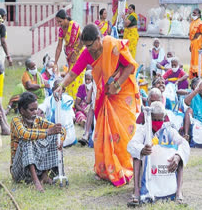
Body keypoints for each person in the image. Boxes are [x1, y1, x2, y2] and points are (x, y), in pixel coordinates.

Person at [54, 24, 140, 187]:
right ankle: (106, 168)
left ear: (99, 39)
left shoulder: (111, 45)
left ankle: (124, 165)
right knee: (104, 131)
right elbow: (74, 72)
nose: (88, 49)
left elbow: (129, 65)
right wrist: (62, 86)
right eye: (85, 46)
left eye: (90, 45)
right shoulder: (87, 53)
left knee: (122, 130)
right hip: (106, 93)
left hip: (122, 92)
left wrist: (118, 84)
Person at [127, 101, 190, 206]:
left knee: (180, 155)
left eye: (159, 119)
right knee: (136, 156)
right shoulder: (143, 129)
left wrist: (178, 156)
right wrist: (142, 149)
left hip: (165, 168)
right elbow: (131, 145)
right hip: (148, 170)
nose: (157, 122)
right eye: (154, 119)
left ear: (164, 118)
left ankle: (178, 192)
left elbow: (184, 144)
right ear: (149, 117)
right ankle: (137, 192)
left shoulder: (168, 129)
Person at [10, 92, 67, 192]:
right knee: (27, 139)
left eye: (36, 109)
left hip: (39, 167)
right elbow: (25, 134)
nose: (35, 112)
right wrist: (48, 131)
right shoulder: (16, 121)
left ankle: (44, 175)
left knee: (54, 135)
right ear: (22, 111)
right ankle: (35, 180)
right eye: (31, 110)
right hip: (20, 170)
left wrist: (60, 139)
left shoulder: (38, 120)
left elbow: (60, 129)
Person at [55, 9, 85, 100]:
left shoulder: (75, 26)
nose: (59, 24)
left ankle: (77, 100)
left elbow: (83, 39)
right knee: (70, 77)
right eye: (57, 22)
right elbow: (59, 47)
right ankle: (71, 100)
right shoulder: (61, 30)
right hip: (69, 57)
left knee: (76, 78)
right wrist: (55, 63)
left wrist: (76, 52)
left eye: (60, 21)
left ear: (65, 19)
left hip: (78, 55)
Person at [38, 79, 76, 148]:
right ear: (53, 90)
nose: (59, 91)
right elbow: (39, 111)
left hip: (67, 133)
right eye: (57, 89)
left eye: (61, 89)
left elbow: (72, 117)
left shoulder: (67, 100)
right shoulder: (49, 100)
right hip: (54, 130)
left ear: (63, 90)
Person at [189, 8, 202, 79]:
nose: (193, 14)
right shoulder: (192, 22)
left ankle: (198, 75)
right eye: (193, 13)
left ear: (199, 15)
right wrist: (190, 45)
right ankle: (194, 76)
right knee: (193, 60)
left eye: (195, 13)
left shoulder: (200, 23)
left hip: (199, 44)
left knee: (198, 60)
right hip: (193, 44)